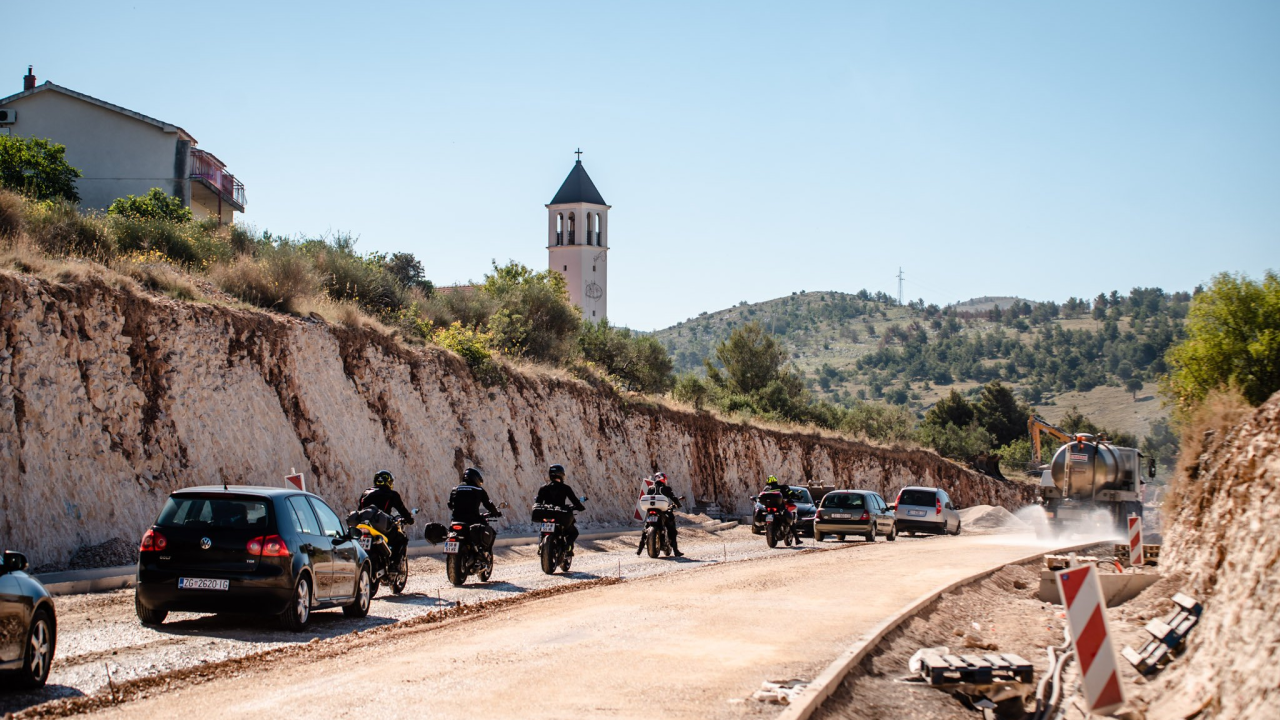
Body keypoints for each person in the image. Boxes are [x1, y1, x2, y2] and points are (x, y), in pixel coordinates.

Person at [358, 470, 414, 560]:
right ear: (388, 482)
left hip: (365, 526)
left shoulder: (365, 493)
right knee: (402, 539)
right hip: (382, 526)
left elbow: (360, 510)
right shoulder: (392, 494)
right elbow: (402, 510)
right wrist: (410, 520)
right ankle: (394, 565)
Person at [534, 464, 586, 556]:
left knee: (542, 530)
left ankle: (540, 546)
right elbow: (574, 501)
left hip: (546, 515)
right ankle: (568, 548)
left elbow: (538, 502)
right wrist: (580, 507)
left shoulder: (544, 488)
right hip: (560, 515)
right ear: (561, 475)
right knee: (574, 532)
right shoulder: (565, 488)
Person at [448, 467, 501, 557]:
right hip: (472, 520)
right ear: (475, 478)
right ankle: (484, 554)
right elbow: (488, 504)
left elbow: (450, 505)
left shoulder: (455, 489)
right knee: (490, 532)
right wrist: (496, 512)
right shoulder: (479, 490)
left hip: (456, 520)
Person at [637, 472, 684, 557]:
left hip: (651, 510)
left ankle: (639, 549)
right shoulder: (667, 489)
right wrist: (678, 504)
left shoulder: (650, 488)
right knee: (672, 529)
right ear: (664, 479)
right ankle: (676, 551)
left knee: (645, 528)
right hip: (663, 511)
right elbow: (673, 498)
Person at [759, 474, 798, 541]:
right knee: (790, 521)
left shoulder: (766, 489)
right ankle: (797, 539)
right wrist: (795, 496)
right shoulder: (781, 488)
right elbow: (789, 493)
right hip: (779, 509)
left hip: (768, 509)